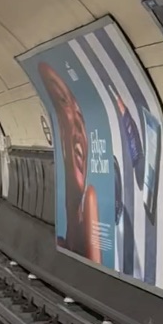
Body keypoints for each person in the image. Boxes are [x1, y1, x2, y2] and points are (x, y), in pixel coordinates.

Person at [37, 61, 100, 263]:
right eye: (63, 102)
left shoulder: (90, 201)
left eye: (80, 116)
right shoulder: (66, 238)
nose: (78, 128)